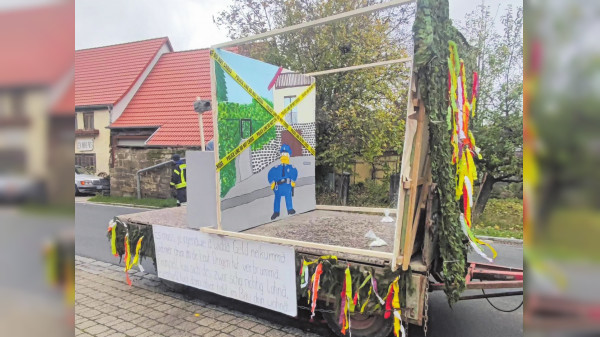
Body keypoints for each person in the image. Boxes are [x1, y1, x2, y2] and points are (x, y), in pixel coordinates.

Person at [267, 144, 298, 220]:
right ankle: (276, 212)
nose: (284, 156)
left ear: (289, 155)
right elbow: (270, 175)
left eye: (286, 154)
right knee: (277, 199)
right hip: (278, 187)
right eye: (283, 154)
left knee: (288, 197)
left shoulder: (291, 168)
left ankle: (290, 209)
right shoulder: (276, 168)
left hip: (287, 186)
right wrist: (272, 184)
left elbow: (295, 173)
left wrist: (293, 181)